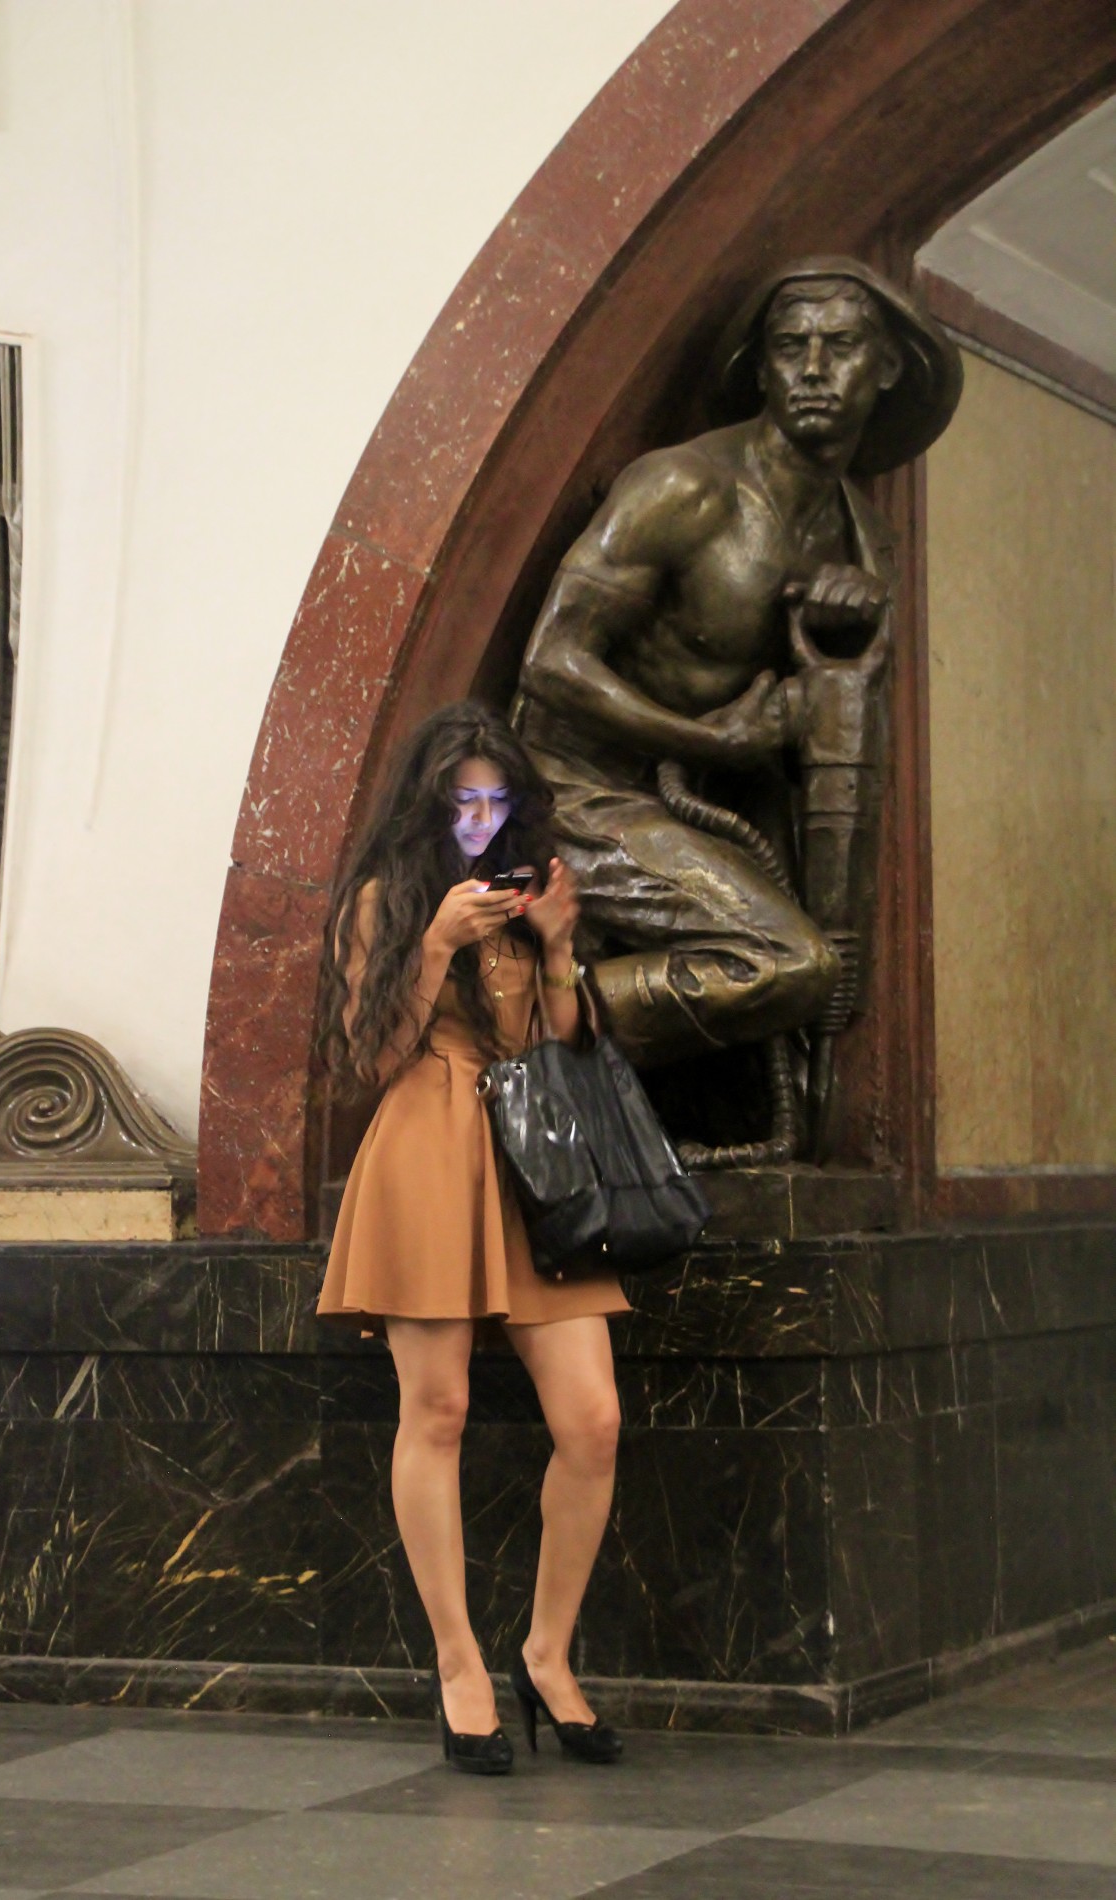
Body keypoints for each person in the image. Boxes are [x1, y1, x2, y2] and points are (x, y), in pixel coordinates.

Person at [514, 256, 961, 1066]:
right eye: (791, 349)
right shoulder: (684, 487)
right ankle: (512, 1027)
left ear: (887, 366)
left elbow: (822, 723)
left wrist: (833, 661)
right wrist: (707, 744)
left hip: (699, 802)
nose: (814, 371)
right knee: (793, 964)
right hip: (578, 793)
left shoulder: (860, 534)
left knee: (827, 977)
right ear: (761, 368)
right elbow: (549, 663)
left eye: (842, 346)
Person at [316, 701, 628, 1773]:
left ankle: (546, 1653)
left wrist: (554, 945)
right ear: (430, 805)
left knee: (592, 1419)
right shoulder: (382, 899)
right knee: (436, 1407)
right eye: (464, 801)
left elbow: (566, 1045)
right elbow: (366, 1060)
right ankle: (458, 1665)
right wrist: (432, 943)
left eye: (498, 800)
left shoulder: (523, 890)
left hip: (528, 1159)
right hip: (425, 1145)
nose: (482, 819)